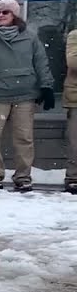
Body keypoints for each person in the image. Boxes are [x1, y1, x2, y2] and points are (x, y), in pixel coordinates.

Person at [0, 0, 55, 192]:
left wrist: (47, 87)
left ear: (14, 15)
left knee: (24, 138)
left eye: (5, 12)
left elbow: (41, 64)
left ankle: (23, 177)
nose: (0, 16)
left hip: (25, 95)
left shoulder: (30, 38)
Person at [65, 27, 77, 194]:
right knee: (75, 142)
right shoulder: (75, 35)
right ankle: (73, 178)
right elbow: (73, 62)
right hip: (75, 97)